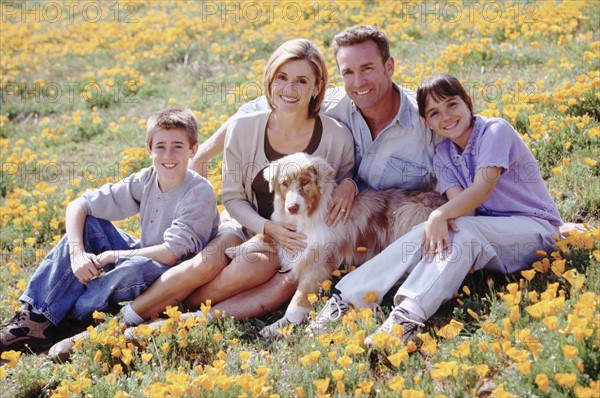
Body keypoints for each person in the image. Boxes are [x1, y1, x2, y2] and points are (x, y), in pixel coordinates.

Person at [179, 25, 442, 321]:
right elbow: (254, 111)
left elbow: (464, 135)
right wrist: (201, 156)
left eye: (367, 68)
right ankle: (175, 306)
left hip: (382, 227)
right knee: (239, 264)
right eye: (348, 72)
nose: (358, 82)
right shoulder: (333, 101)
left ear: (389, 66)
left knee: (286, 277)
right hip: (310, 224)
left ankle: (188, 315)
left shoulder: (424, 119)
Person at [103, 38, 354, 329]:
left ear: (317, 86)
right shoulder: (244, 128)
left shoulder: (337, 137)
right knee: (209, 261)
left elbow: (345, 179)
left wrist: (351, 184)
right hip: (244, 225)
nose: (290, 89)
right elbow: (233, 199)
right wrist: (267, 227)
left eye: (302, 81)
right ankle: (124, 320)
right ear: (269, 80)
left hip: (299, 239)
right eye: (282, 78)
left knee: (270, 274)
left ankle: (181, 318)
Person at [305, 73, 563, 347]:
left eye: (452, 104)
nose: (447, 117)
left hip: (534, 232)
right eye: (435, 113)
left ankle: (405, 319)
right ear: (427, 123)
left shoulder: (495, 131)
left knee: (452, 225)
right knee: (440, 229)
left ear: (468, 101)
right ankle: (346, 300)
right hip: (487, 239)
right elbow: (466, 212)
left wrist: (439, 215)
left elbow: (481, 191)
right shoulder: (444, 156)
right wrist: (437, 222)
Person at [0, 108, 220, 353]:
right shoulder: (146, 179)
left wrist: (114, 256)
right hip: (147, 253)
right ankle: (36, 318)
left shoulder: (199, 192)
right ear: (149, 150)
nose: (168, 154)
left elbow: (170, 254)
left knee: (140, 266)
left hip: (172, 274)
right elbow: (79, 205)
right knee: (91, 225)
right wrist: (76, 254)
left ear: (193, 149)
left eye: (178, 146)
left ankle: (70, 314)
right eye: (160, 146)